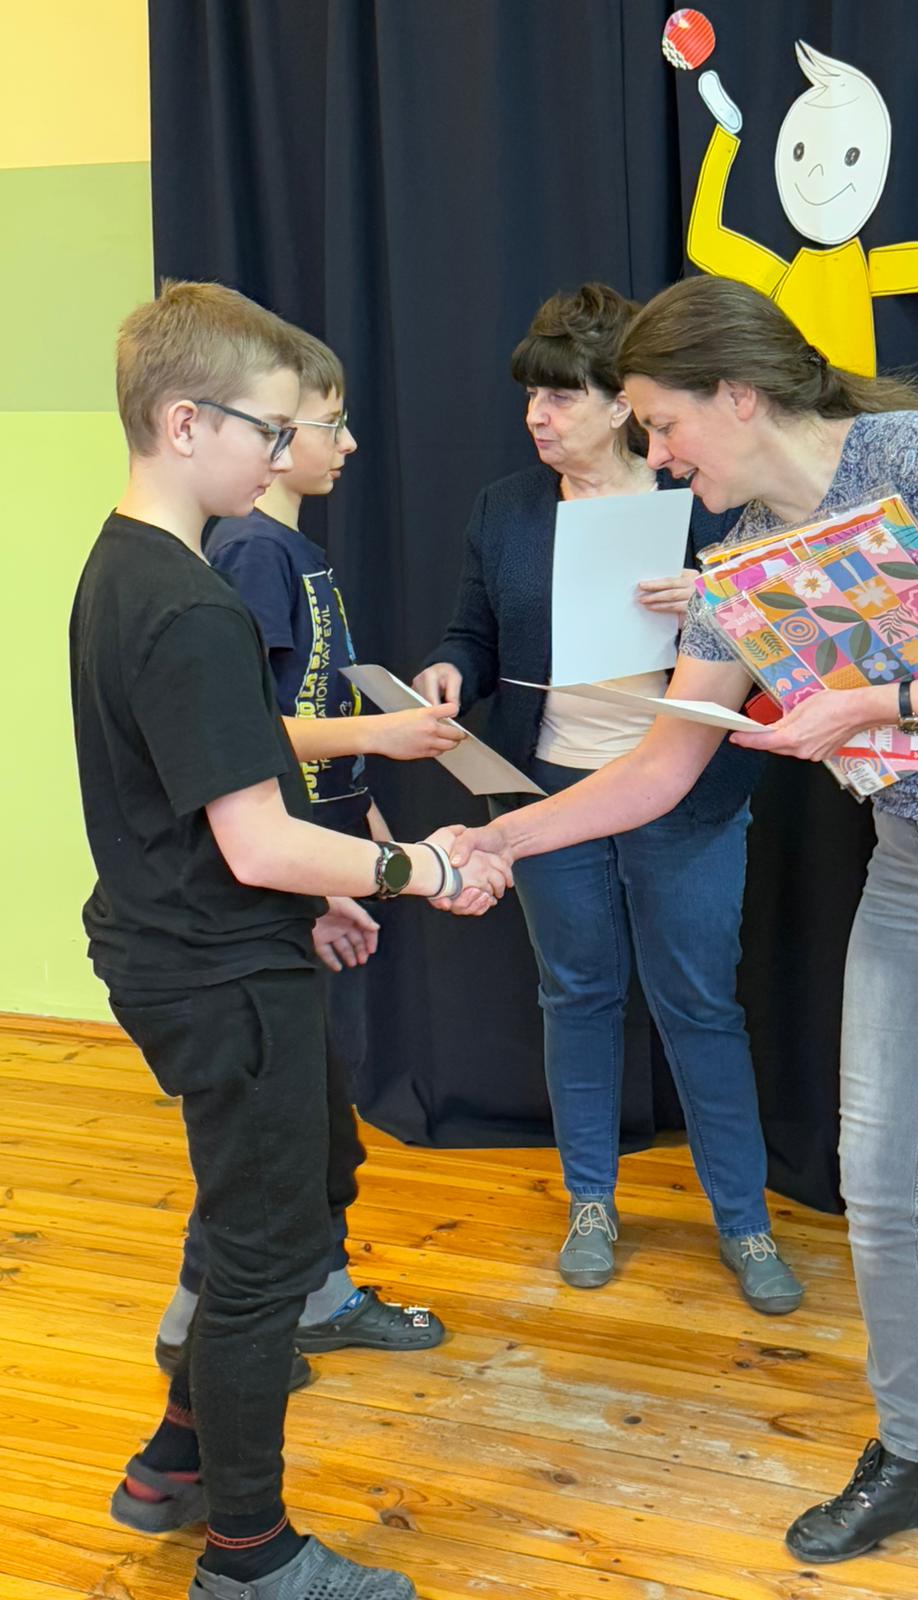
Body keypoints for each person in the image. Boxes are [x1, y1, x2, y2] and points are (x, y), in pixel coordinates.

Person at [447, 274, 918, 1600]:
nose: (659, 454)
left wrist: (868, 703)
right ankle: (914, 1458)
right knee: (878, 1184)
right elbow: (661, 765)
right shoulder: (739, 559)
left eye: (664, 422)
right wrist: (503, 838)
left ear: (738, 395)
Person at [71, 280, 508, 1598]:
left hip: (208, 947)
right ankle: (250, 1559)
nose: (282, 455)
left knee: (282, 1200)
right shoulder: (191, 602)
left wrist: (321, 897)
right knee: (264, 1264)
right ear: (184, 423)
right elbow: (259, 841)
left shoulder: (128, 569)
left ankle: (173, 1464)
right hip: (214, 974)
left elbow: (217, 792)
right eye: (269, 430)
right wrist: (419, 866)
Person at [414, 282, 803, 1314]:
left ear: (622, 402)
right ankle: (591, 1201)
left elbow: (789, 645)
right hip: (549, 788)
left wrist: (716, 600)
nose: (536, 416)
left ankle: (744, 1219)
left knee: (699, 1004)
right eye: (529, 397)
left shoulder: (707, 500)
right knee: (576, 994)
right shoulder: (507, 507)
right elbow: (471, 634)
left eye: (559, 396)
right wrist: (450, 670)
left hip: (687, 796)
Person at [140, 326, 465, 1388]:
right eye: (326, 424)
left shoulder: (294, 555)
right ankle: (204, 1327)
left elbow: (302, 736)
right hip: (260, 892)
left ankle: (315, 1296)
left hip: (308, 871)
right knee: (270, 1139)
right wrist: (383, 738)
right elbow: (250, 736)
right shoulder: (246, 557)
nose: (346, 443)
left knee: (313, 1125)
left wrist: (366, 832)